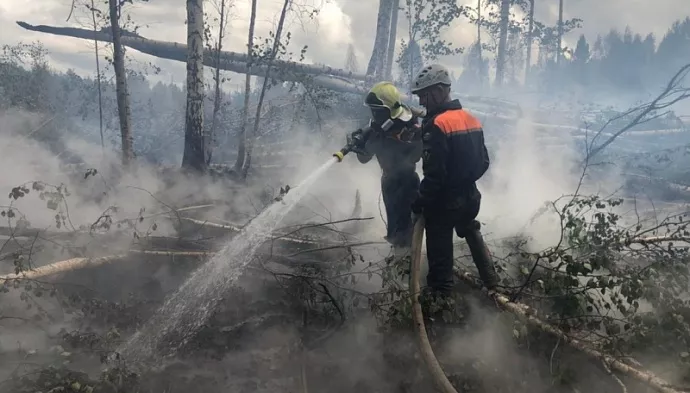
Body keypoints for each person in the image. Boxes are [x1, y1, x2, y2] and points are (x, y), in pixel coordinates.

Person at [409, 63, 499, 302]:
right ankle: (493, 284)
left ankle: (440, 302)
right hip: (470, 198)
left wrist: (418, 203)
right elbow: (484, 162)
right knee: (470, 228)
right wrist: (463, 180)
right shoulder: (471, 118)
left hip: (445, 204)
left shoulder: (437, 125)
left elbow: (434, 176)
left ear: (439, 91)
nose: (421, 103)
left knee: (440, 254)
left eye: (424, 96)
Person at [349, 81, 423, 252]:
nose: (374, 115)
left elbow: (416, 155)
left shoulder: (409, 123)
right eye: (373, 110)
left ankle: (406, 265)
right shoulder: (376, 128)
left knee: (406, 231)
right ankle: (398, 260)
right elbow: (364, 159)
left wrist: (392, 140)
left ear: (387, 109)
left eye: (377, 111)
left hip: (407, 182)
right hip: (389, 181)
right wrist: (361, 145)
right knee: (394, 230)